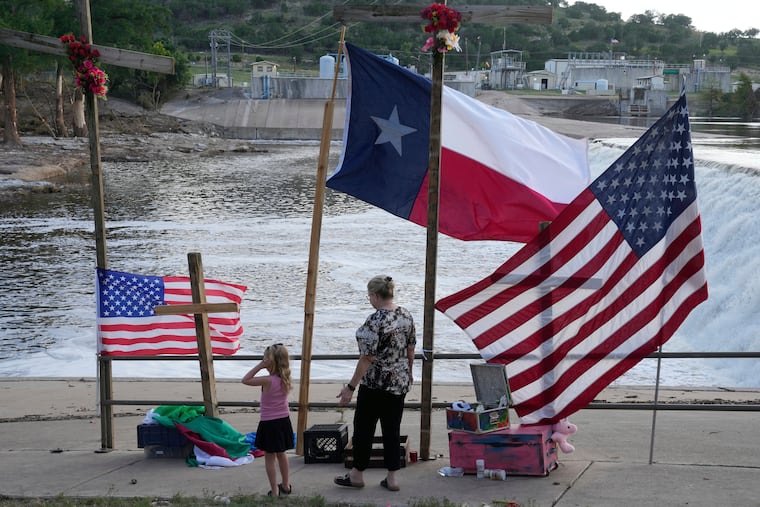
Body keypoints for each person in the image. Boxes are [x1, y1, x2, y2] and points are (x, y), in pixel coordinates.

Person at [334, 275, 416, 492]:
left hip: (375, 385)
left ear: (376, 295)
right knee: (392, 430)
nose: (370, 299)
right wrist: (410, 372)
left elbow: (367, 357)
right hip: (399, 383)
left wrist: (350, 388)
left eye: (370, 295)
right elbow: (410, 348)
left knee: (363, 430)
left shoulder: (375, 320)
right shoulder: (406, 315)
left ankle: (357, 475)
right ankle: (392, 478)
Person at [242, 343, 294, 497]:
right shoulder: (285, 378)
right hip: (284, 421)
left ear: (270, 362)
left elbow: (245, 379)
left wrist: (259, 366)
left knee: (269, 457)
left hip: (269, 423)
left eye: (265, 358)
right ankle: (286, 485)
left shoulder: (268, 380)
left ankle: (275, 491)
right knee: (282, 454)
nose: (263, 360)